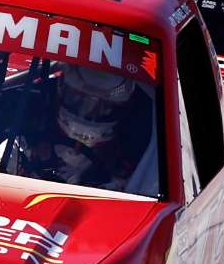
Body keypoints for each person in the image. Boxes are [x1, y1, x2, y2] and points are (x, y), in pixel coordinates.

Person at [20, 63, 148, 191]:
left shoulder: (125, 160)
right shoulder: (30, 129)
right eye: (77, 100)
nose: (88, 112)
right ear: (60, 90)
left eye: (104, 108)